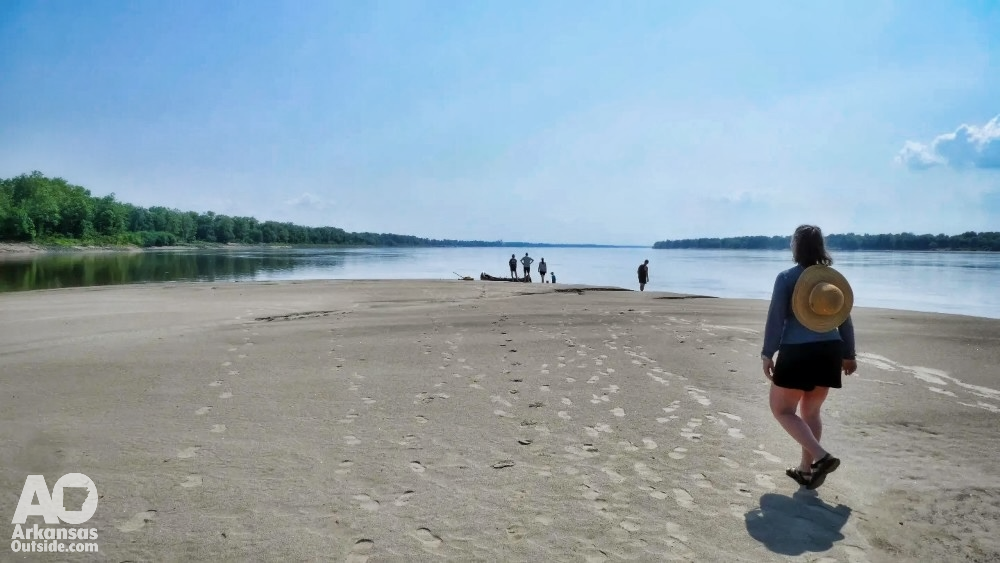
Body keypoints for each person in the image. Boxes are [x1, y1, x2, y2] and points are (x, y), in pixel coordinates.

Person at [761, 224, 857, 491]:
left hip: (798, 352)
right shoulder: (832, 282)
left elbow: (776, 318)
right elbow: (845, 321)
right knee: (811, 411)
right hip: (830, 351)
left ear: (796, 245)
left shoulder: (787, 278)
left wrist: (768, 352)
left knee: (782, 410)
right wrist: (849, 354)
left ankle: (821, 457)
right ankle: (805, 471)